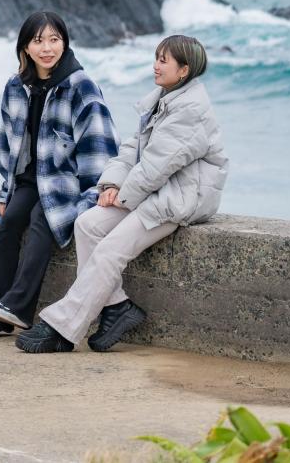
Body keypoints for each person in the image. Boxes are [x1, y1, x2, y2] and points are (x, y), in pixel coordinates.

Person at [15, 34, 229, 353]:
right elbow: (133, 148)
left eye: (163, 60)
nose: (155, 65)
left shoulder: (190, 110)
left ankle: (63, 327)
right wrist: (112, 184)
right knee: (87, 224)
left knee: (110, 250)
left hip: (178, 199)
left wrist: (124, 195)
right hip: (152, 191)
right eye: (156, 57)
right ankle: (117, 308)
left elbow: (158, 164)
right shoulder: (165, 96)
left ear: (183, 70)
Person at [0, 11, 119, 339]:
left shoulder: (81, 85)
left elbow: (102, 145)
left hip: (65, 181)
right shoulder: (15, 86)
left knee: (43, 219)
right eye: (39, 41)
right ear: (25, 47)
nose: (47, 47)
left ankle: (18, 308)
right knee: (10, 222)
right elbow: (6, 145)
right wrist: (3, 193)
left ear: (65, 43)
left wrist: (95, 193)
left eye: (55, 39)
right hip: (29, 178)